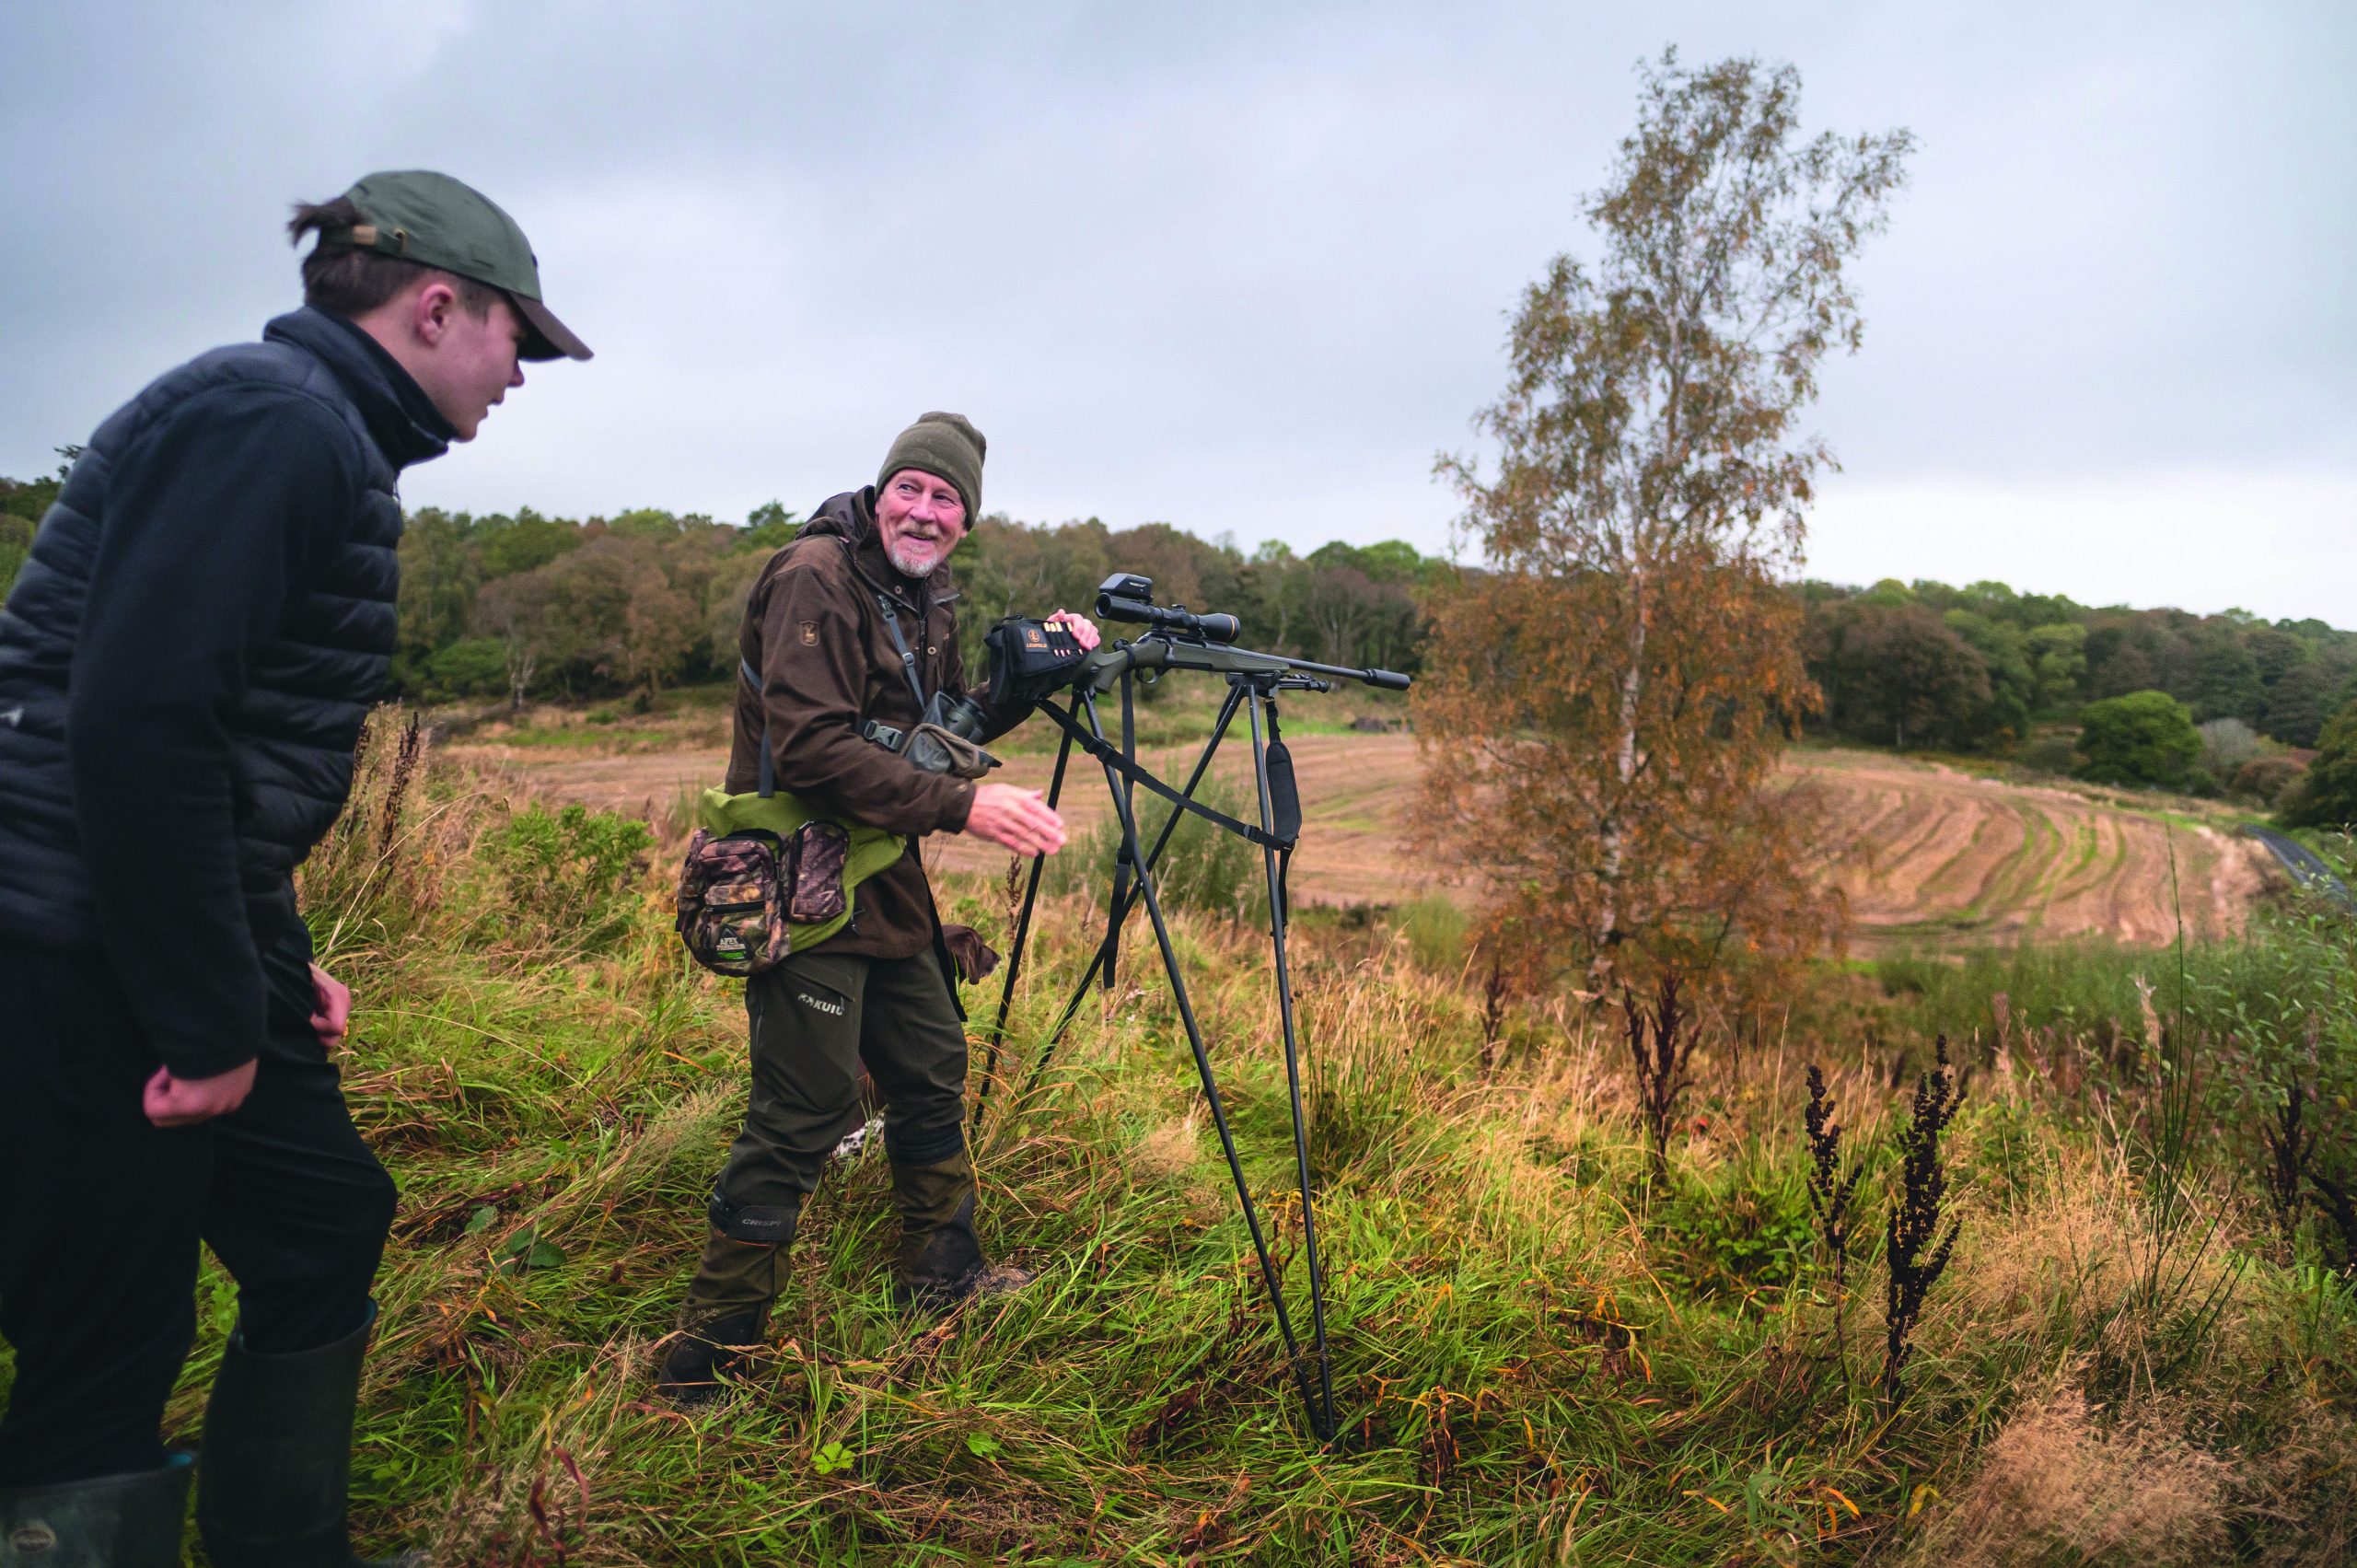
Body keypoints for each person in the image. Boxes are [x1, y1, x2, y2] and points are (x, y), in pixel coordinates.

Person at [0, 171, 589, 1566]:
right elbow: (137, 728)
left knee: (324, 1216)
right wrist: (210, 1019)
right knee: (107, 1335)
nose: (524, 372)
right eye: (522, 338)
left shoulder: (323, 435)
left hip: (174, 921)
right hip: (71, 939)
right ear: (438, 305)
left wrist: (268, 948)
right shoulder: (271, 425)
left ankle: (283, 1543)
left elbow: (220, 752)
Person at [656, 412, 1094, 1401]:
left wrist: (1021, 681)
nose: (926, 511)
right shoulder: (816, 574)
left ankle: (943, 1278)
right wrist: (963, 805)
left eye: (947, 500)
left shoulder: (924, 592)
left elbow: (926, 734)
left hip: (881, 873)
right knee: (803, 1111)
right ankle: (706, 1362)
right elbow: (810, 748)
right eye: (913, 488)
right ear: (882, 487)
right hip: (800, 879)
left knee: (933, 1067)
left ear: (965, 522)